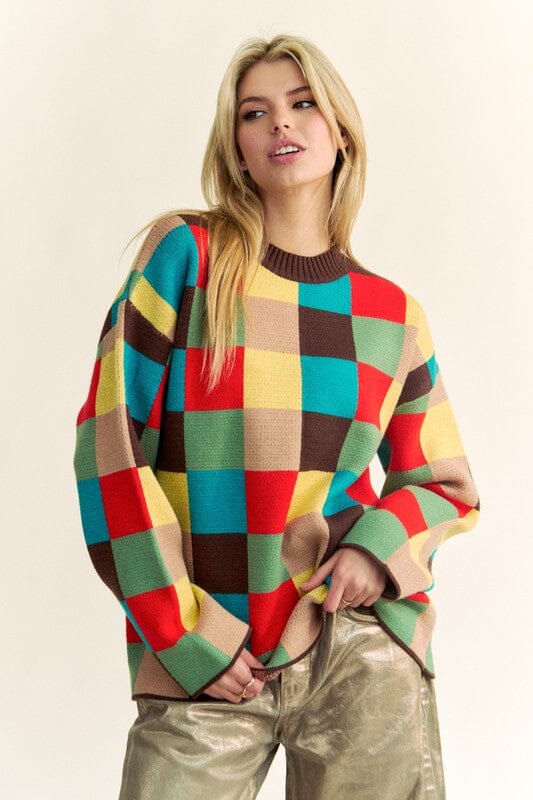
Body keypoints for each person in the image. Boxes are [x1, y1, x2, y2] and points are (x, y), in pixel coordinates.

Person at [73, 33, 480, 800]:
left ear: (341, 131)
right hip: (205, 652)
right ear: (236, 147)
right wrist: (186, 636)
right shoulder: (187, 257)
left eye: (302, 104)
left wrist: (374, 554)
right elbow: (107, 447)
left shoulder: (391, 315)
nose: (280, 124)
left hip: (356, 646)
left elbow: (443, 484)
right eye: (254, 112)